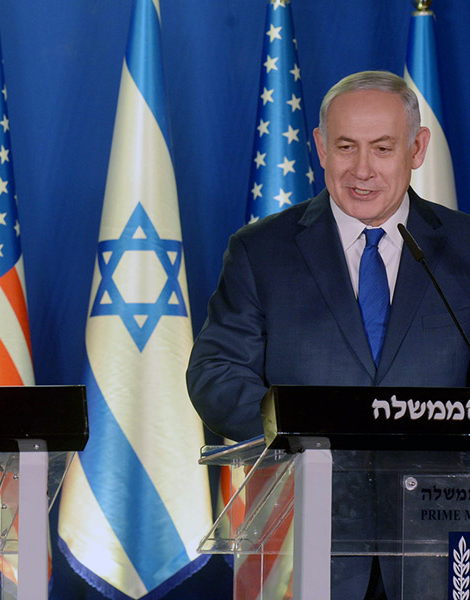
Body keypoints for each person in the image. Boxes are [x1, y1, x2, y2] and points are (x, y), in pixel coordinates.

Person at [187, 70, 470, 598]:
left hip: (441, 543)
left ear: (418, 148)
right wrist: (302, 428)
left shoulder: (466, 249)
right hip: (303, 539)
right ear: (320, 146)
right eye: (346, 147)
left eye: (383, 149)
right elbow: (215, 374)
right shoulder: (260, 251)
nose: (362, 170)